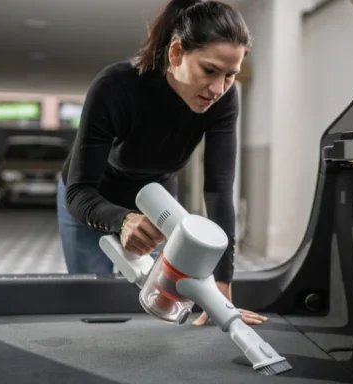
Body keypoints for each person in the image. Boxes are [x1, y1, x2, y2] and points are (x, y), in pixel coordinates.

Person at [57, 0, 266, 326]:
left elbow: (219, 190)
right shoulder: (115, 86)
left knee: (161, 305)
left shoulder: (224, 99)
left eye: (230, 75)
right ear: (176, 53)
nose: (217, 89)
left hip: (155, 200)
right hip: (90, 195)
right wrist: (124, 221)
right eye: (209, 70)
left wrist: (223, 286)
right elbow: (78, 192)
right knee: (94, 305)